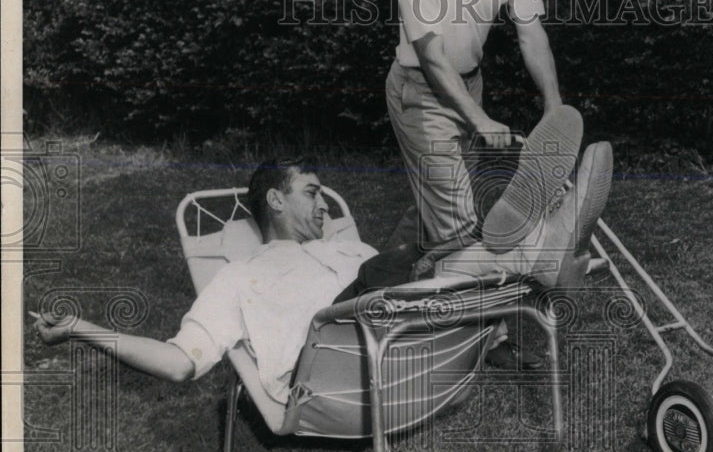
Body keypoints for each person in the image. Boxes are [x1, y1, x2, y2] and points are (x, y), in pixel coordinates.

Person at [34, 144, 612, 404]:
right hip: (343, 359)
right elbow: (179, 361)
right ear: (275, 203)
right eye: (311, 193)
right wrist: (81, 327)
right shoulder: (239, 276)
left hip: (412, 334)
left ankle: (538, 245)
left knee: (428, 256)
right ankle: (541, 248)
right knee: (408, 261)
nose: (324, 205)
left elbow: (399, 270)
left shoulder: (344, 247)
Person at [386, 0, 564, 368]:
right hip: (422, 92)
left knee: (451, 209)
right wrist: (479, 120)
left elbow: (531, 33)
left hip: (471, 86)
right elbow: (435, 62)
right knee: (462, 219)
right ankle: (482, 342)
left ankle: (391, 276)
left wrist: (554, 109)